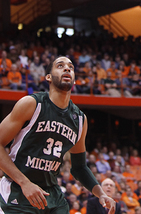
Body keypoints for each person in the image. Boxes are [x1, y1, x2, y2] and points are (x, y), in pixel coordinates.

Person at [0, 56, 116, 214]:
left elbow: (80, 167)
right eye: (60, 66)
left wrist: (101, 194)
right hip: (18, 189)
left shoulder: (80, 120)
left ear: (74, 80)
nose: (67, 69)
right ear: (48, 77)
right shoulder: (32, 104)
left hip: (52, 195)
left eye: (71, 67)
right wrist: (24, 183)